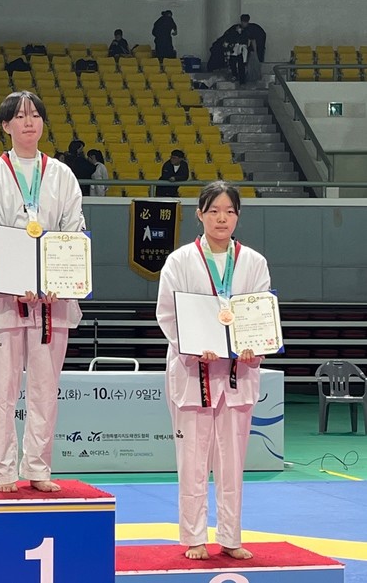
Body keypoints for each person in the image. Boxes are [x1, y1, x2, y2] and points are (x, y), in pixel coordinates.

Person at [0, 91, 86, 493]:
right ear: (6, 125)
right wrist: (11, 282)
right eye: (20, 116)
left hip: (52, 302)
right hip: (5, 299)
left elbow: (73, 231)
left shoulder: (62, 175)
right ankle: (2, 470)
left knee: (44, 389)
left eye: (35, 114)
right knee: (1, 388)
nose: (29, 122)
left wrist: (59, 282)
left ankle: (38, 467)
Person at [156, 181, 271, 561]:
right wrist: (192, 347)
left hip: (238, 372)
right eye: (214, 211)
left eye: (229, 211)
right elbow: (167, 314)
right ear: (200, 214)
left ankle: (230, 537)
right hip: (194, 373)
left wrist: (255, 345)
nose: (222, 219)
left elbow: (259, 312)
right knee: (192, 460)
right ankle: (193, 537)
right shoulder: (180, 261)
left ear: (238, 216)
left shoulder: (253, 262)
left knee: (232, 462)